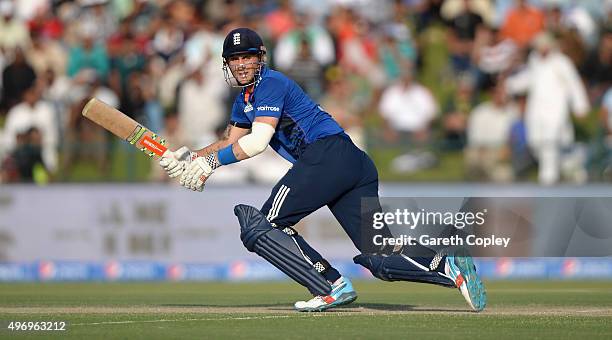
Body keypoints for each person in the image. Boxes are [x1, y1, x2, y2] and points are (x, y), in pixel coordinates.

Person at [158, 28, 486, 312]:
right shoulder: (245, 99)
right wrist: (188, 158)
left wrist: (210, 164)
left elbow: (257, 142)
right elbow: (230, 140)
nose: (241, 63)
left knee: (263, 225)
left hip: (327, 154)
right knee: (381, 257)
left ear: (261, 58)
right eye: (234, 58)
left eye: (248, 56)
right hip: (351, 162)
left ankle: (329, 285)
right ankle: (448, 264)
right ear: (226, 64)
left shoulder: (270, 84)